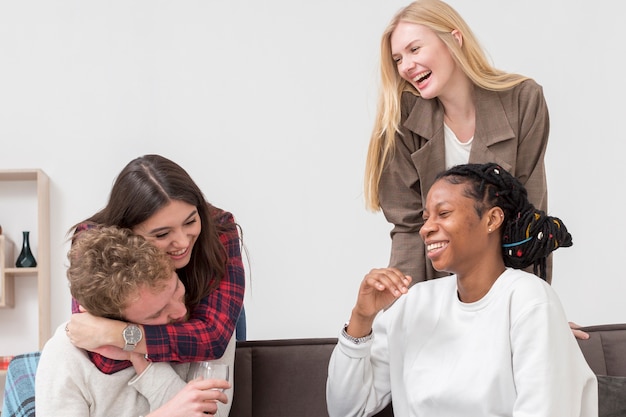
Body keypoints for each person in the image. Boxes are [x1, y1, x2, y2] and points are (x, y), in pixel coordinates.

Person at [327, 163, 597, 417]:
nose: (426, 229)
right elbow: (348, 409)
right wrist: (362, 318)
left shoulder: (529, 301)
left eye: (443, 214)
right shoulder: (415, 303)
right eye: (426, 218)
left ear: (492, 219)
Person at [364, 0, 550, 283]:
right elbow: (409, 227)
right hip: (436, 290)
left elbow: (529, 220)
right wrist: (404, 311)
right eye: (398, 59)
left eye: (414, 49)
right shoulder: (402, 118)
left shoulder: (523, 101)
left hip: (502, 288)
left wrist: (534, 309)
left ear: (454, 40)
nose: (406, 67)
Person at [64, 154, 245, 374]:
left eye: (190, 221)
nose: (182, 241)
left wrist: (118, 334)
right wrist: (181, 340)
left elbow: (213, 339)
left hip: (210, 313)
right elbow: (99, 353)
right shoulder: (94, 243)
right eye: (162, 234)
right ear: (127, 232)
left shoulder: (218, 227)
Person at [36, 226, 235, 417]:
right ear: (111, 319)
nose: (181, 311)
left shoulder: (206, 327)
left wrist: (140, 358)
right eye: (157, 313)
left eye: (176, 289)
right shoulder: (65, 354)